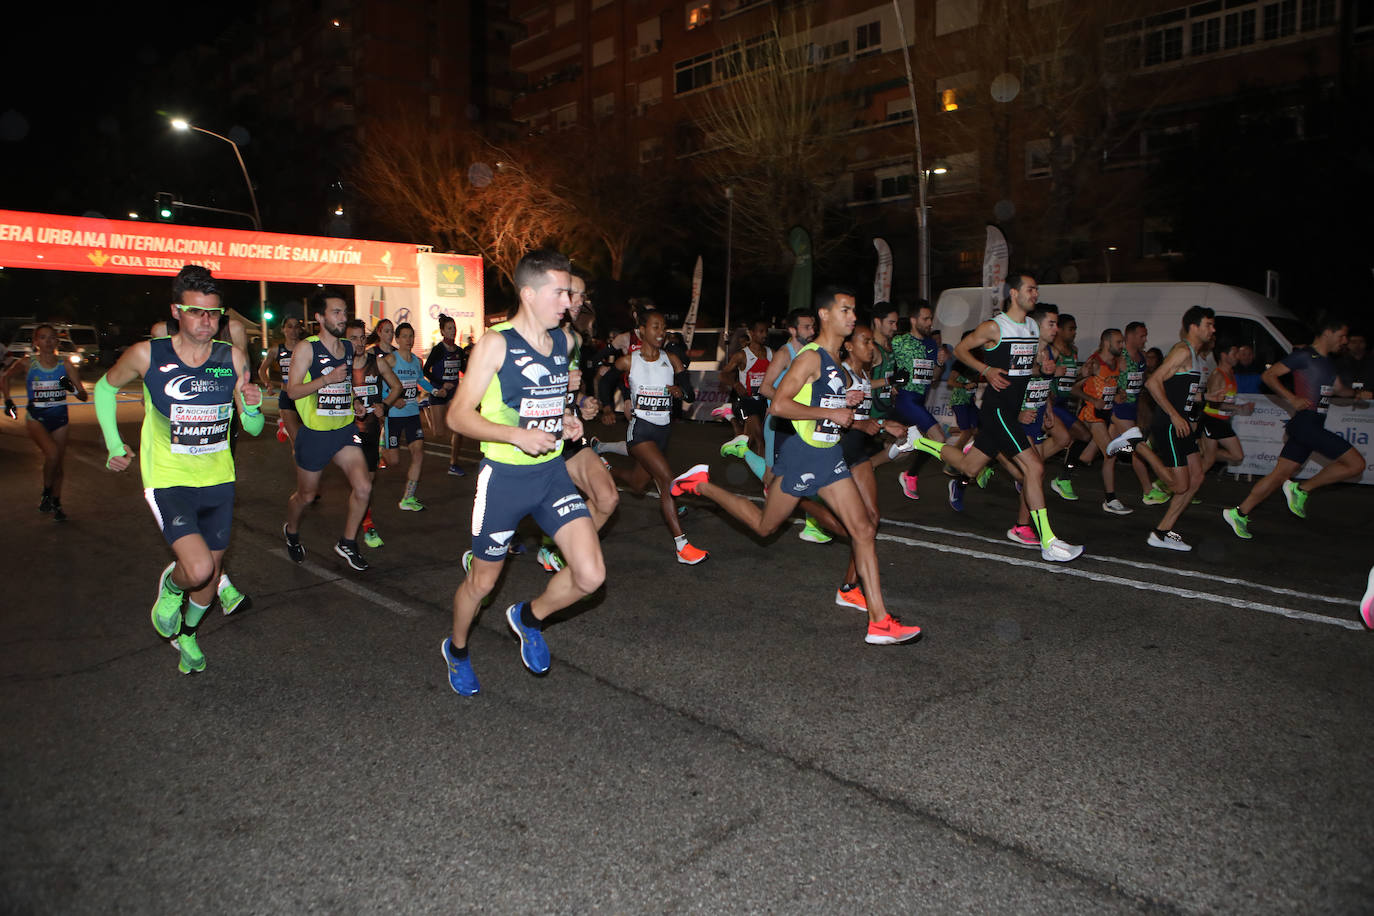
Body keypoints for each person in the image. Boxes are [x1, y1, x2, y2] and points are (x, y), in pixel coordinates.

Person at [669, 286, 923, 646]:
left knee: (864, 529)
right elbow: (778, 406)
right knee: (764, 526)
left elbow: (827, 402)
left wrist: (848, 403)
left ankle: (879, 621)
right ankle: (700, 484)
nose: (852, 316)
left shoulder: (836, 362)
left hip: (829, 455)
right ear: (825, 315)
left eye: (853, 311)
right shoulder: (810, 357)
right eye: (845, 310)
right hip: (803, 455)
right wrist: (830, 411)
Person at [441, 249, 605, 697]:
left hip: (551, 475)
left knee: (591, 577)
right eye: (561, 292)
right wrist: (515, 435)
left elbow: (550, 399)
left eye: (570, 292)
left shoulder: (565, 343)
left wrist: (567, 418)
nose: (569, 300)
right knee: (482, 583)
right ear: (529, 294)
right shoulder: (496, 343)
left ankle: (528, 617)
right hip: (504, 482)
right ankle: (456, 650)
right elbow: (456, 416)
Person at [94, 265, 265, 674]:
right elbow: (104, 388)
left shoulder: (232, 357)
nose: (207, 322)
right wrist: (115, 445)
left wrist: (254, 404)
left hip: (219, 479)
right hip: (169, 479)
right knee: (198, 568)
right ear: (176, 310)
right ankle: (171, 587)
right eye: (196, 312)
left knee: (208, 580)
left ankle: (187, 634)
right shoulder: (147, 355)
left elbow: (254, 426)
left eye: (213, 313)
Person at [904, 273, 1083, 563]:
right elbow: (960, 350)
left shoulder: (1032, 327)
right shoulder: (994, 327)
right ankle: (1049, 542)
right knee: (1034, 469)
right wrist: (985, 370)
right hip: (997, 411)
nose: (1035, 293)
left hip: (1012, 410)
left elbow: (1026, 366)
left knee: (968, 466)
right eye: (1030, 289)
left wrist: (1043, 368)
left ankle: (920, 443)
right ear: (1014, 293)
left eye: (1037, 289)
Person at [1222, 317, 1372, 539]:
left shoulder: (1328, 363)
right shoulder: (1304, 356)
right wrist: (1291, 398)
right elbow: (1268, 375)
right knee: (1356, 464)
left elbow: (1340, 390)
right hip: (1305, 424)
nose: (1344, 341)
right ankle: (1301, 489)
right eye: (1341, 336)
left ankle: (1238, 513)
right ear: (1327, 333)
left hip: (1310, 426)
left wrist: (1359, 394)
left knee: (1278, 475)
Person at [719, 307, 837, 544]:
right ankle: (744, 451)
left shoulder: (816, 352)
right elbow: (765, 388)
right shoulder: (785, 353)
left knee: (814, 471)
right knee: (772, 479)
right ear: (792, 330)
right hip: (781, 423)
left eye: (813, 326)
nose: (812, 330)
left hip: (804, 423)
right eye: (806, 326)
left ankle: (812, 526)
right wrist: (788, 406)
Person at [283, 289, 373, 571]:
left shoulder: (347, 347)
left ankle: (347, 542)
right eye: (336, 312)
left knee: (364, 486)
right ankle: (292, 531)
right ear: (320, 318)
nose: (342, 317)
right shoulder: (307, 348)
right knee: (306, 497)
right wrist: (326, 379)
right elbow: (293, 391)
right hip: (315, 434)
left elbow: (344, 386)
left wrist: (355, 402)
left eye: (344, 312)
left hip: (344, 430)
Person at [610, 309, 708, 564]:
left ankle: (605, 467)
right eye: (655, 327)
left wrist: (680, 391)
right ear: (641, 330)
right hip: (640, 430)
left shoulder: (672, 360)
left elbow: (690, 395)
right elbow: (604, 381)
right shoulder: (629, 361)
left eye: (663, 328)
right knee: (667, 480)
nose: (661, 332)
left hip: (663, 431)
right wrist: (606, 407)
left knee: (636, 483)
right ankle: (682, 547)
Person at [538, 269, 620, 573]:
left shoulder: (573, 338)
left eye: (583, 296)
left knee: (607, 498)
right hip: (537, 436)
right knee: (512, 518)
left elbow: (573, 389)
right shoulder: (537, 336)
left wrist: (582, 402)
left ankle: (557, 551)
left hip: (568, 433)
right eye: (576, 294)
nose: (582, 301)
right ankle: (482, 555)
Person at [833, 322, 908, 610]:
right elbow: (828, 406)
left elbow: (864, 408)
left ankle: (849, 587)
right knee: (844, 524)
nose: (871, 347)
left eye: (871, 342)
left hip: (858, 452)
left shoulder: (863, 373)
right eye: (865, 341)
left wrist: (885, 423)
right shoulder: (840, 371)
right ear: (848, 345)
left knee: (872, 518)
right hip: (837, 453)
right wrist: (867, 423)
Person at [1138, 306, 1216, 551]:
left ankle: (1162, 532)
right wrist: (1174, 415)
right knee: (1180, 485)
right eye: (1208, 325)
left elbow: (1182, 392)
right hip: (1171, 425)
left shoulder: (1192, 354)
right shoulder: (1182, 351)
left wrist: (1210, 396)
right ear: (1193, 327)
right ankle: (1137, 446)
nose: (1212, 330)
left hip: (1182, 426)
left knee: (1197, 477)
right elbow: (1152, 382)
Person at [2, 323, 88, 521]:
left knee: (57, 463)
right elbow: (5, 378)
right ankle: (47, 492)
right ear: (36, 342)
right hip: (37, 418)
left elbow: (82, 395)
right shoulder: (27, 363)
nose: (48, 341)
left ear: (57, 341)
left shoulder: (65, 364)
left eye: (51, 337)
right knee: (52, 453)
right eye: (43, 337)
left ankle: (56, 502)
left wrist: (72, 389)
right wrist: (8, 401)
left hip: (60, 418)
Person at [345, 318, 401, 548]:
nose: (359, 342)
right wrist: (350, 403)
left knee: (367, 481)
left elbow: (397, 387)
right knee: (361, 483)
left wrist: (385, 405)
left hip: (370, 430)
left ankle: (360, 520)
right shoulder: (340, 366)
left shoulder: (377, 363)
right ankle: (365, 527)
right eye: (353, 338)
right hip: (346, 433)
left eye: (362, 338)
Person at [1069, 328, 1132, 515]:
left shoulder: (1116, 363)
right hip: (1091, 413)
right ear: (1107, 343)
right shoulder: (1094, 362)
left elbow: (1109, 387)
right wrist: (1092, 399)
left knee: (1086, 457)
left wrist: (1119, 394)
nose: (1122, 346)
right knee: (1110, 453)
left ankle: (1064, 473)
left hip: (1106, 413)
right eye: (1119, 342)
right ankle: (1111, 500)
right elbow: (1074, 388)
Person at [889, 302, 948, 501]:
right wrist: (890, 383)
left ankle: (909, 472)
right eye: (925, 319)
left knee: (894, 453)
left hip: (920, 400)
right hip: (905, 399)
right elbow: (885, 363)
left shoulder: (932, 345)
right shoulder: (899, 341)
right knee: (939, 439)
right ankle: (912, 474)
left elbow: (934, 379)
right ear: (913, 320)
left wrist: (939, 363)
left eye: (930, 319)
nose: (930, 323)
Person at [381, 322, 436, 511]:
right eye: (404, 336)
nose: (408, 340)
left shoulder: (416, 361)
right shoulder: (390, 360)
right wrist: (391, 400)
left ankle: (408, 498)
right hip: (394, 415)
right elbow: (377, 382)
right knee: (394, 461)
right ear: (397, 339)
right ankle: (382, 445)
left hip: (413, 413)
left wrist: (435, 390)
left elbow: (420, 380)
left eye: (411, 336)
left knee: (418, 453)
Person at [1198, 337, 1255, 476]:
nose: (1238, 357)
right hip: (1212, 420)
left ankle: (1195, 458)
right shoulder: (1218, 375)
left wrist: (1238, 408)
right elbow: (1212, 402)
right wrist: (1239, 409)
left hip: (1221, 421)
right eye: (1234, 353)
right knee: (1213, 460)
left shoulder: (1231, 373)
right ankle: (1182, 486)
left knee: (1216, 459)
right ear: (1224, 355)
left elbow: (1226, 400)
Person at [718, 319, 773, 457]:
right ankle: (764, 473)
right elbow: (723, 374)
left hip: (765, 400)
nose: (764, 335)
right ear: (752, 333)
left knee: (749, 438)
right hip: (748, 400)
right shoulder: (742, 355)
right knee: (760, 437)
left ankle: (730, 418)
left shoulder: (771, 353)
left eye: (766, 331)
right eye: (761, 331)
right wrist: (735, 384)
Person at [423, 314, 468, 477]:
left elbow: (465, 371)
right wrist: (441, 384)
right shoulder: (438, 350)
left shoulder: (460, 351)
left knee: (459, 427)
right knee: (438, 433)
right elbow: (425, 370)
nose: (453, 331)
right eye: (449, 328)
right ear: (442, 331)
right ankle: (426, 406)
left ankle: (453, 464)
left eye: (454, 328)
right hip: (439, 392)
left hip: (454, 393)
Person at [259, 315, 304, 451]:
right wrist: (268, 384)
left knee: (309, 438)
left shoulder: (307, 347)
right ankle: (301, 471)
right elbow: (262, 370)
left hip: (305, 396)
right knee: (296, 442)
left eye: (296, 326)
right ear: (283, 329)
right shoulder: (276, 350)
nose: (293, 330)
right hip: (287, 396)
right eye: (289, 326)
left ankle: (284, 427)